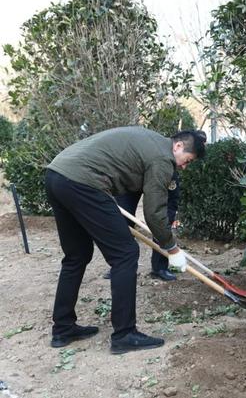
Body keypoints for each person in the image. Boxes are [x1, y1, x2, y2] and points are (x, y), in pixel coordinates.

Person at [45, 127, 206, 354]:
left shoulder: (151, 140)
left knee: (76, 255)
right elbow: (154, 213)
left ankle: (62, 328)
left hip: (56, 175)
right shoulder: (163, 157)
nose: (183, 166)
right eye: (187, 160)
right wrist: (172, 248)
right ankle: (124, 335)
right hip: (83, 182)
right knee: (126, 254)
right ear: (178, 146)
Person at [109, 171, 181, 281]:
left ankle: (159, 268)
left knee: (162, 221)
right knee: (122, 221)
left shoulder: (168, 170)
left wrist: (165, 224)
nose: (185, 167)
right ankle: (120, 265)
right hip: (132, 178)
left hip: (159, 178)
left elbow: (169, 204)